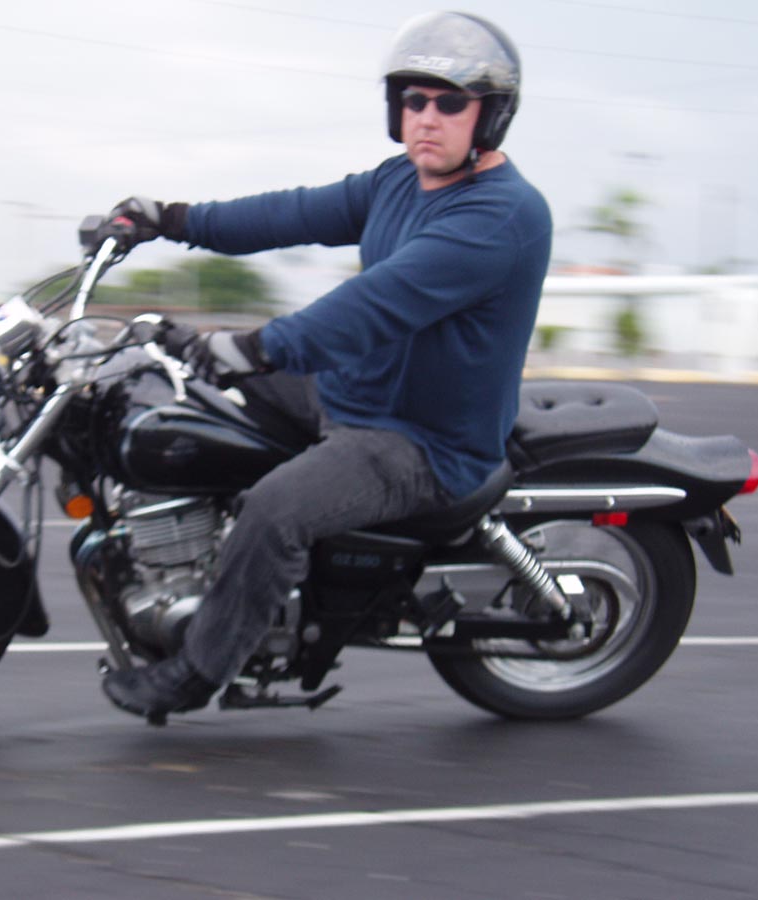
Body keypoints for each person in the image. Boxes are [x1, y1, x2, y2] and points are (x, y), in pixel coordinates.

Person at [96, 10, 552, 721]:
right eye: (414, 99)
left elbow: (375, 305)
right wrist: (169, 218)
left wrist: (254, 346)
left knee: (274, 510)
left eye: (450, 103)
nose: (427, 117)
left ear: (490, 116)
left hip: (421, 440)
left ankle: (200, 668)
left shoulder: (501, 215)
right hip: (349, 390)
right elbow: (291, 213)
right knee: (187, 404)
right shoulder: (398, 181)